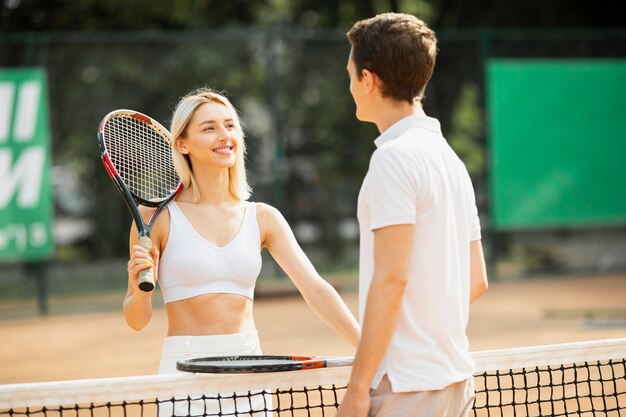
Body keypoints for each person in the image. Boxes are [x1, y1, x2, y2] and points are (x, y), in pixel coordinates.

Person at [124, 87, 360, 415]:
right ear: (182, 144)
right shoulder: (154, 219)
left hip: (251, 374)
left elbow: (316, 290)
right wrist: (138, 287)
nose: (224, 136)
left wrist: (368, 349)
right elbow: (137, 320)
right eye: (209, 128)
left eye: (230, 125)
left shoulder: (263, 217)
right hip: (184, 375)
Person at [336, 13, 489, 417]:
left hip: (408, 389)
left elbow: (391, 279)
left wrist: (357, 388)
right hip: (454, 382)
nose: (350, 86)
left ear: (368, 79)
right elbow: (476, 279)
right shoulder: (451, 161)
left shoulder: (392, 161)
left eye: (351, 76)